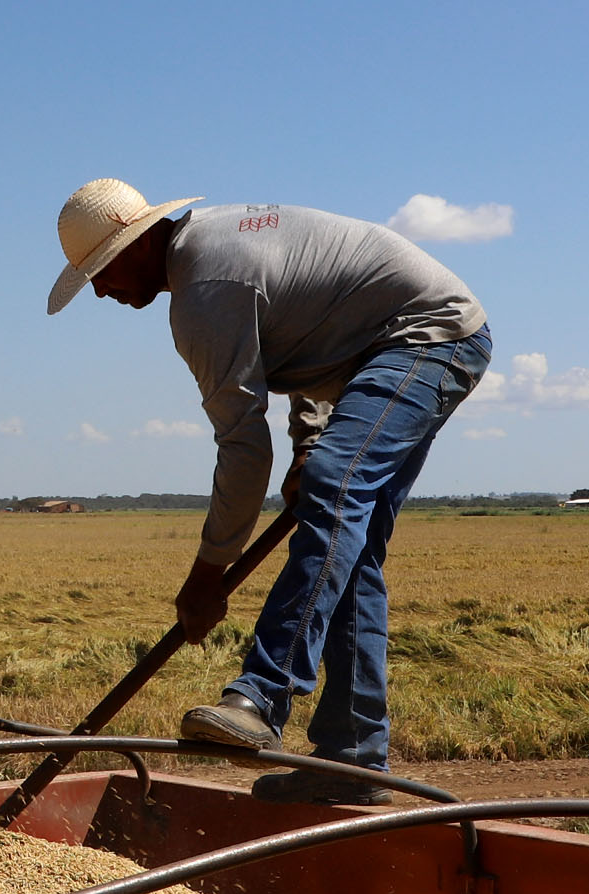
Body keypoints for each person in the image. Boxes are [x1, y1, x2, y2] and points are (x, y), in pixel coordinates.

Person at [46, 179, 492, 804]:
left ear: (140, 242)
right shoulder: (215, 254)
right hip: (384, 346)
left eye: (102, 269)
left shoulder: (206, 291)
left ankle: (262, 696)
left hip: (425, 337)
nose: (99, 288)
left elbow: (244, 449)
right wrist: (310, 439)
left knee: (334, 491)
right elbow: (312, 331)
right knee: (352, 547)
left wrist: (209, 572)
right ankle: (352, 760)